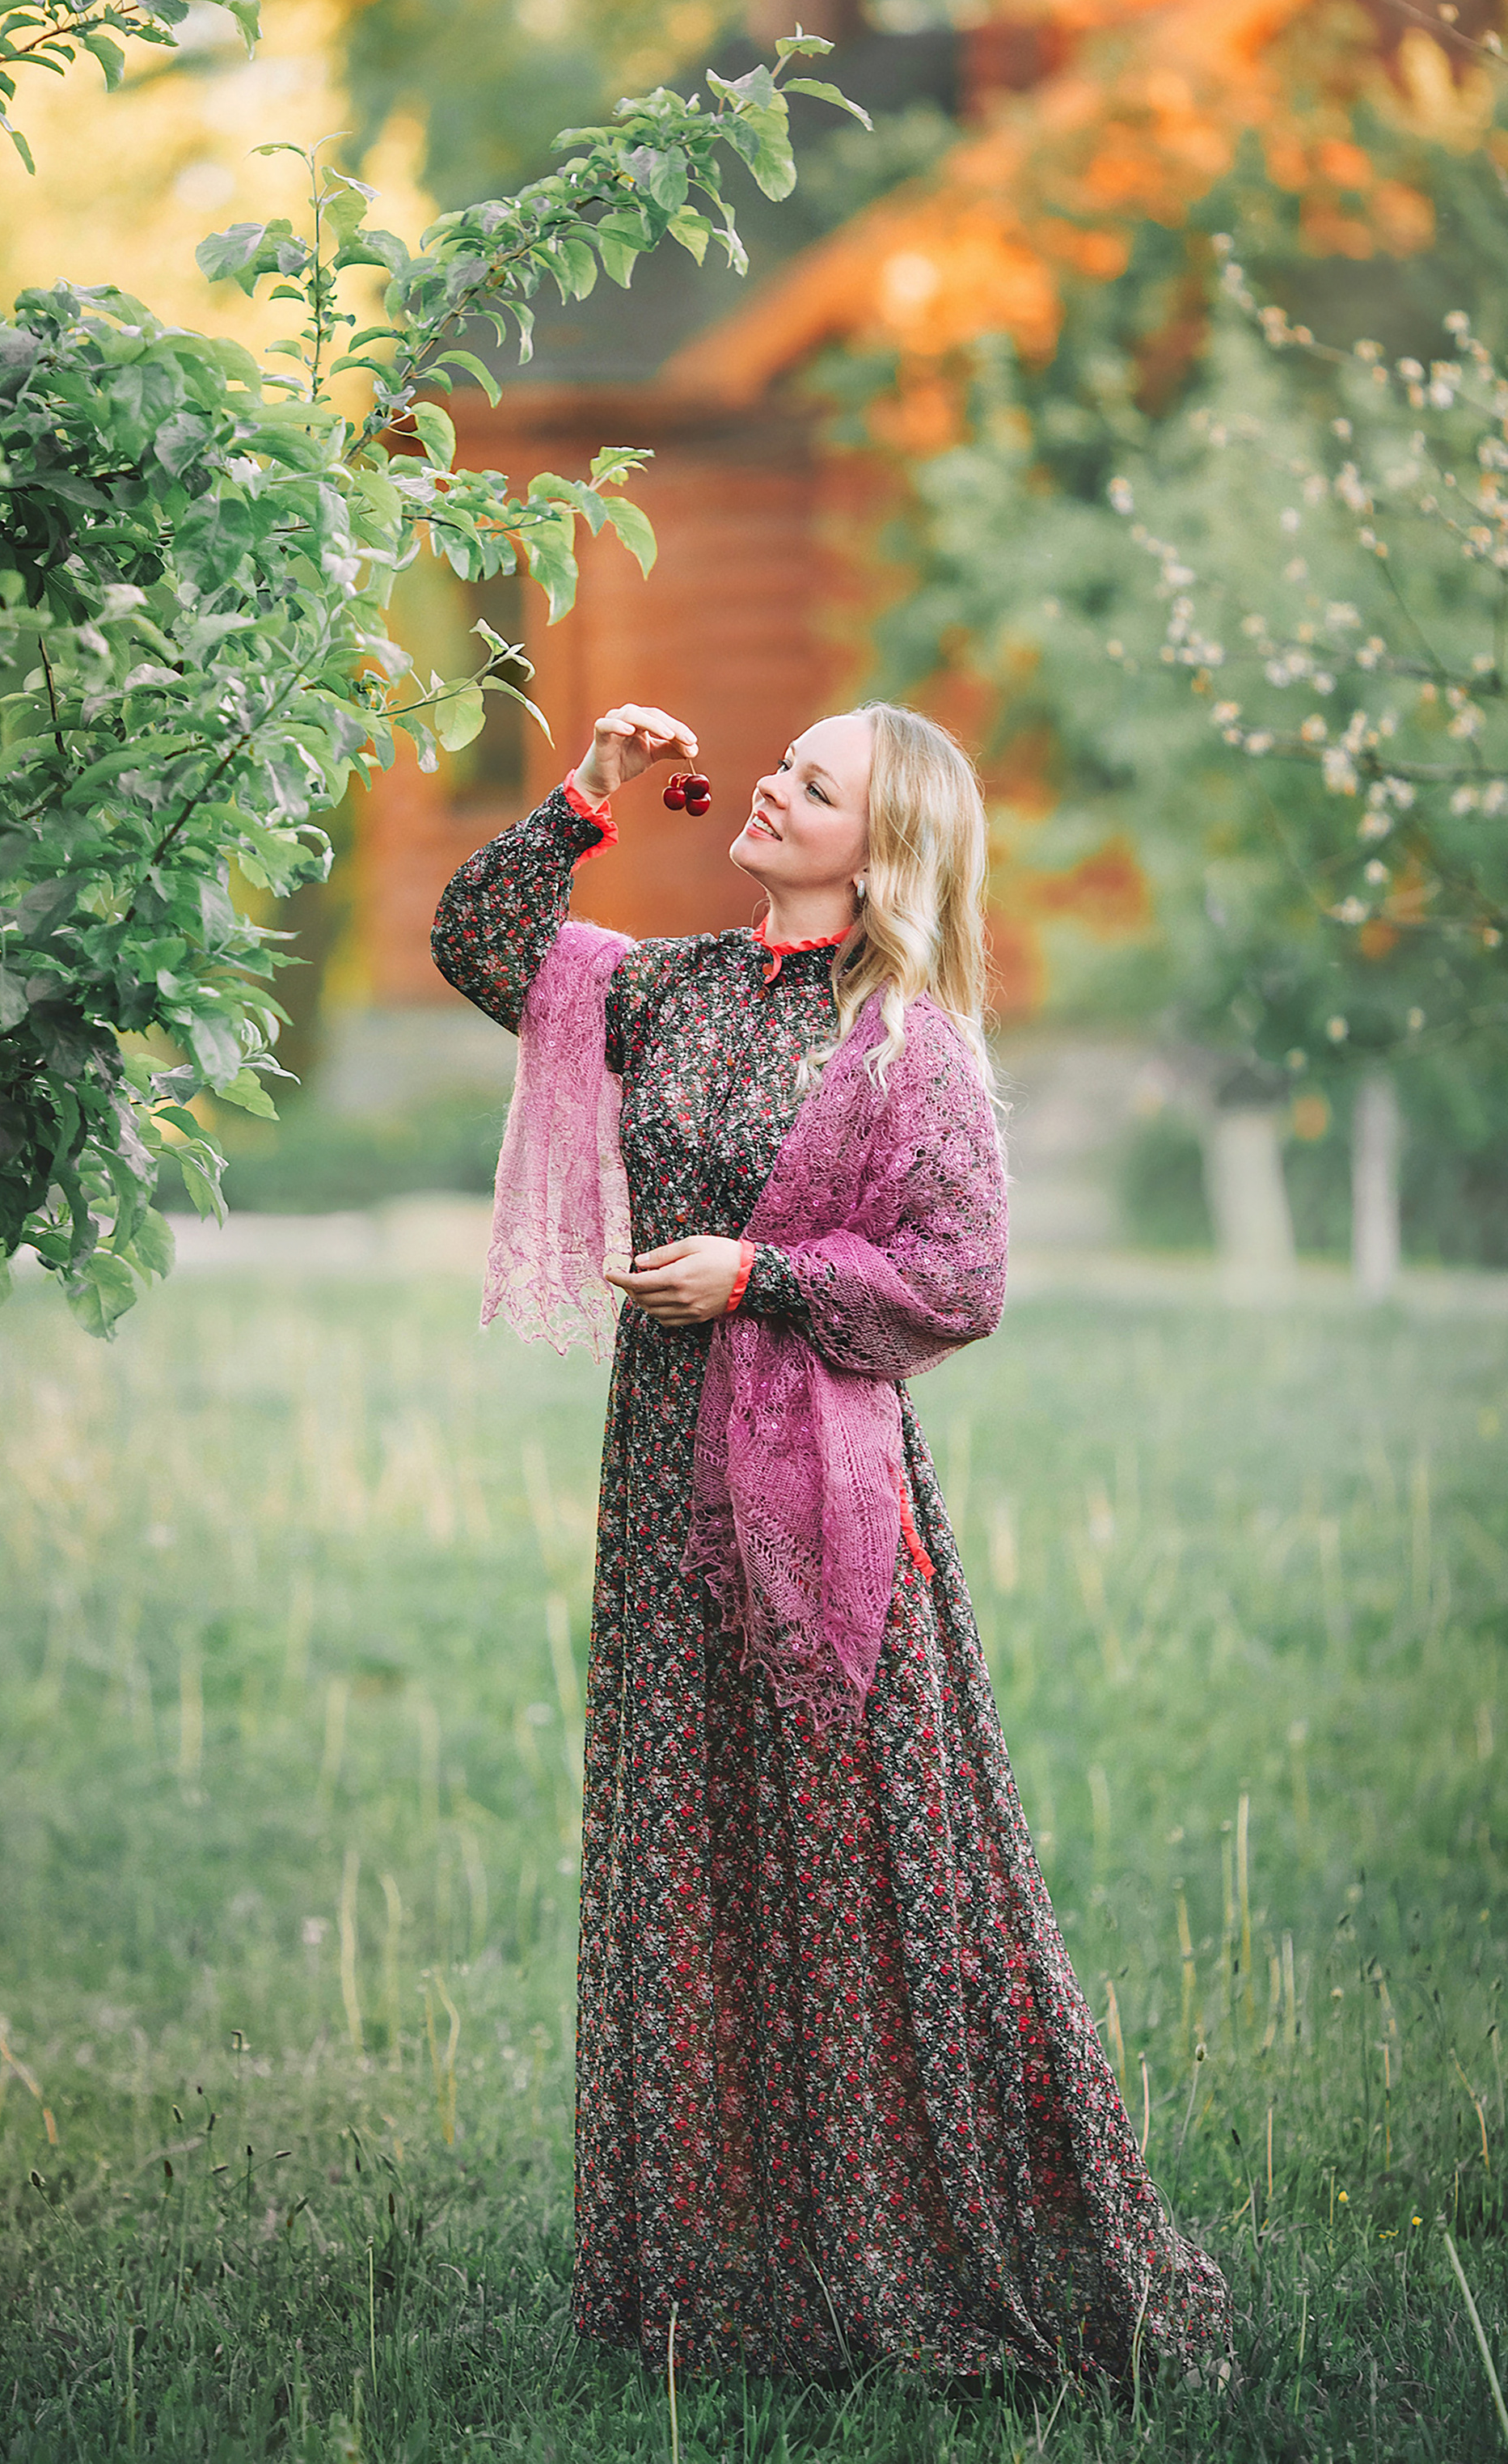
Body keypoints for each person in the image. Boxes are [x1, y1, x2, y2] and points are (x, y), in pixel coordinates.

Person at [431, 699, 1230, 2387]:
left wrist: (760, 1277)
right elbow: (480, 942)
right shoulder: (678, 988)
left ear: (878, 854)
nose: (771, 787)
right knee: (691, 1851)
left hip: (823, 1516)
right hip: (658, 1501)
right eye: (776, 764)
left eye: (812, 784)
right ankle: (727, 2275)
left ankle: (911, 2244)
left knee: (868, 1867)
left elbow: (958, 1276)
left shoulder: (906, 1046)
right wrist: (585, 794)